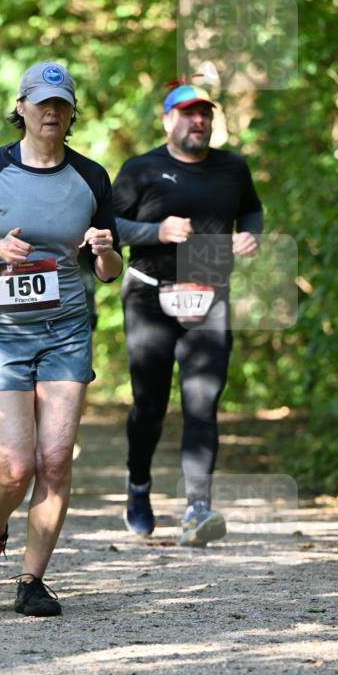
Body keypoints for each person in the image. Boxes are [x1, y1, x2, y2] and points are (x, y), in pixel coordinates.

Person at [0, 61, 122, 616]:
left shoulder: (91, 177)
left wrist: (104, 250)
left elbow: (111, 272)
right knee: (15, 466)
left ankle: (32, 581)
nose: (51, 112)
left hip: (66, 327)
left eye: (61, 105)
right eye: (41, 103)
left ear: (71, 115)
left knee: (57, 459)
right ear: (20, 107)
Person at [112, 80, 263, 546]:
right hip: (150, 297)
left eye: (205, 114)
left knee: (202, 402)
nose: (198, 122)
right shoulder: (141, 169)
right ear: (167, 120)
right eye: (188, 114)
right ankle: (138, 486)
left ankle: (198, 507)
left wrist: (249, 235)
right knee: (150, 406)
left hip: (210, 296)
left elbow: (252, 209)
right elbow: (108, 225)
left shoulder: (232, 168)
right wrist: (156, 231)